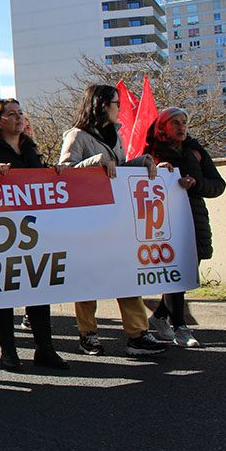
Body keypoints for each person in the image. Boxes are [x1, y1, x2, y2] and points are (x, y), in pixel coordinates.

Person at [59, 84, 166, 357]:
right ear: (101, 105)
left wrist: (141, 162)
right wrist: (96, 160)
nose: (120, 107)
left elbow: (115, 170)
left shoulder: (115, 134)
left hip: (115, 220)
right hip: (86, 220)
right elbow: (65, 173)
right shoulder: (76, 135)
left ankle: (137, 334)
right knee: (88, 278)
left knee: (126, 275)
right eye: (116, 102)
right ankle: (88, 334)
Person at [0, 99, 68, 371]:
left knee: (38, 289)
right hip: (0, 233)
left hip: (33, 232)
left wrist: (54, 174)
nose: (18, 118)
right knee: (4, 292)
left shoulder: (31, 151)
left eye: (20, 113)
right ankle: (8, 351)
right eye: (11, 114)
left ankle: (45, 349)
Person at [144, 107, 225, 347]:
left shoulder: (196, 151)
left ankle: (160, 316)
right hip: (165, 221)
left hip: (195, 218)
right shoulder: (151, 153)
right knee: (175, 273)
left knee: (185, 273)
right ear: (163, 127)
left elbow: (218, 185)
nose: (181, 128)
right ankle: (180, 327)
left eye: (184, 122)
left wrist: (196, 183)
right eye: (175, 123)